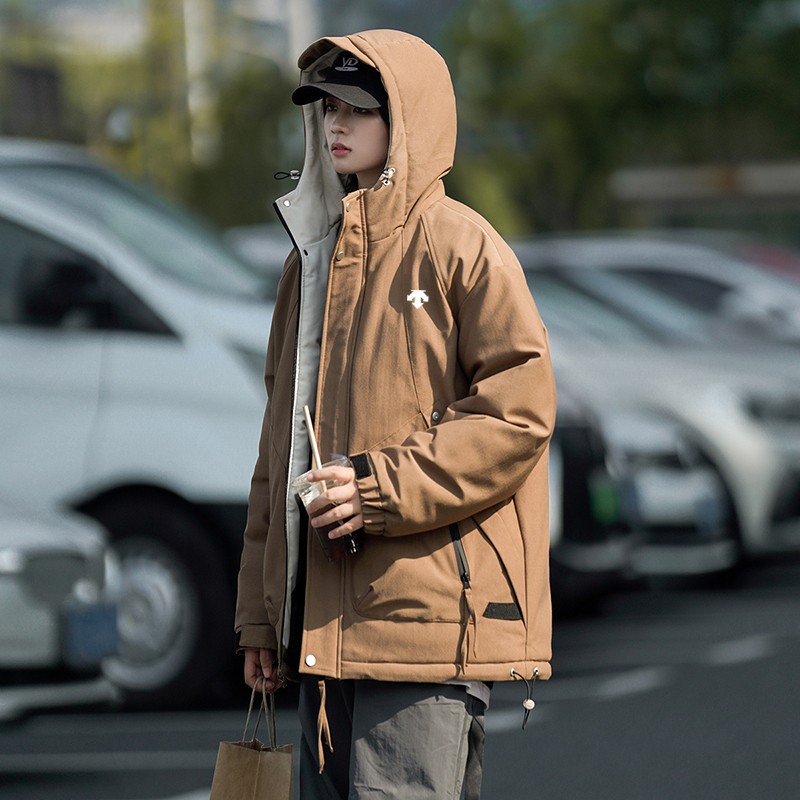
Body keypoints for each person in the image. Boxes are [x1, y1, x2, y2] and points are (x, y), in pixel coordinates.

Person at [235, 29, 556, 800]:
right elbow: (277, 454)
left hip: (426, 627)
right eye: (326, 108)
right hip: (321, 634)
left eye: (358, 109)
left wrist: (376, 488)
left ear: (407, 117)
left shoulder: (461, 246)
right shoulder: (308, 262)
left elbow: (517, 415)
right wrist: (261, 617)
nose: (336, 124)